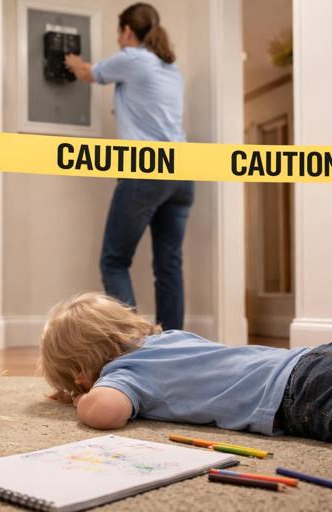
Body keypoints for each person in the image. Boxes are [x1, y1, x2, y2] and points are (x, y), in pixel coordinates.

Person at [38, 292, 332, 442]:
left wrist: (80, 401)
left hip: (296, 396)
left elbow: (105, 412)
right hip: (305, 359)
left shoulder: (126, 373)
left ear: (81, 377)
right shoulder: (171, 338)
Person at [64, 3, 192, 330]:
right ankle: (174, 344)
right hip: (182, 173)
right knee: (169, 266)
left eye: (119, 32)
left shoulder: (133, 58)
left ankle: (133, 345)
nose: (118, 39)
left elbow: (87, 73)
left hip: (145, 171)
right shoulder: (170, 68)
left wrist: (71, 59)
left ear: (127, 31)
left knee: (114, 261)